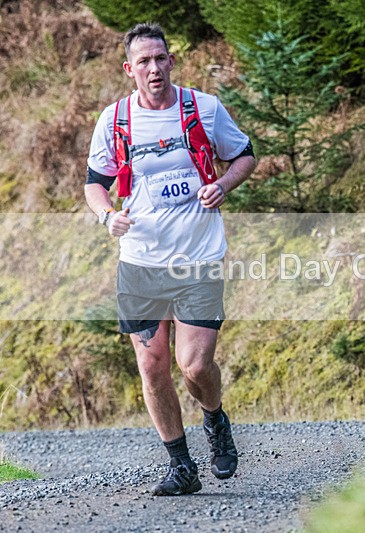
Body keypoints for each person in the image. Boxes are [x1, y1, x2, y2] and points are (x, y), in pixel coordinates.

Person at [84, 22, 256, 496]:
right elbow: (94, 182)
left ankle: (215, 420)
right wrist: (106, 216)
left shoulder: (202, 108)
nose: (154, 68)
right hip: (140, 262)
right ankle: (181, 465)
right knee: (152, 365)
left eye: (161, 58)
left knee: (195, 365)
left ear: (171, 61)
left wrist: (222, 185)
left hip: (198, 256)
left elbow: (245, 155)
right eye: (144, 61)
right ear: (129, 69)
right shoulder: (115, 119)